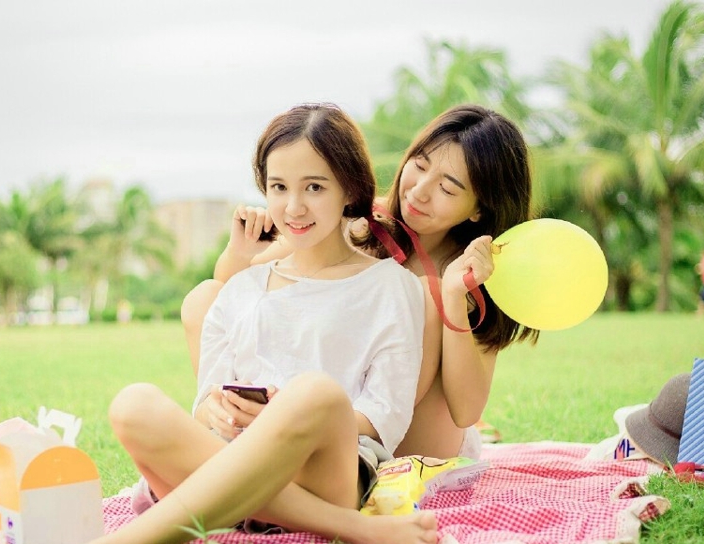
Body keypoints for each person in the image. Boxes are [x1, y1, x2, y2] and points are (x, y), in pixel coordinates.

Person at [93, 103, 443, 544]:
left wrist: (281, 420)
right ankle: (349, 528)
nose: (293, 207)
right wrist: (219, 410)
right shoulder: (244, 288)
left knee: (314, 393)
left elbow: (386, 413)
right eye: (278, 187)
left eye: (314, 187)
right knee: (133, 405)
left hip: (329, 467)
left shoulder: (391, 286)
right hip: (232, 453)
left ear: (349, 190)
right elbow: (206, 401)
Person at [181, 104, 539, 460]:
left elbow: (466, 411)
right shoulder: (358, 222)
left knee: (426, 298)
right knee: (203, 297)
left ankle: (315, 445)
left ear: (479, 208)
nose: (419, 191)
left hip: (411, 437)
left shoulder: (476, 271)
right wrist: (239, 252)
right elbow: (233, 298)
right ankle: (230, 421)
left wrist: (453, 297)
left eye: (447, 188)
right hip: (327, 417)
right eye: (419, 165)